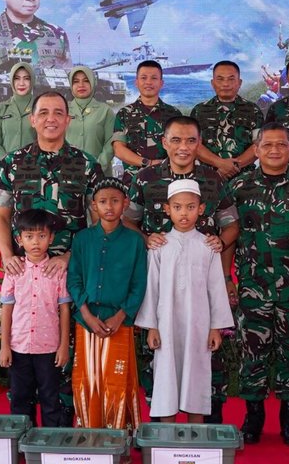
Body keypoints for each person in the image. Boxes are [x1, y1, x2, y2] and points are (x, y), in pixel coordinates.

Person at [0, 90, 102, 420]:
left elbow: (97, 223)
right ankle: (23, 431)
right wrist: (8, 254)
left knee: (63, 361)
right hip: (25, 276)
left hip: (70, 275)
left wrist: (69, 257)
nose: (51, 118)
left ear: (69, 120)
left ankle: (62, 431)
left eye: (58, 113)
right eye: (44, 112)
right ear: (32, 119)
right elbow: (0, 215)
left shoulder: (87, 164)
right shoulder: (12, 163)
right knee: (24, 366)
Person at [124, 115, 238, 416]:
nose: (183, 147)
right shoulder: (146, 179)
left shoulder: (213, 180)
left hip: (202, 273)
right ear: (164, 142)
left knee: (202, 364)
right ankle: (161, 422)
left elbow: (231, 225)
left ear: (199, 144)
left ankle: (206, 425)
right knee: (160, 366)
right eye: (176, 140)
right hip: (160, 280)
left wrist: (219, 242)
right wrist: (146, 238)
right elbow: (128, 222)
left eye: (190, 140)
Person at [229, 123, 289, 445]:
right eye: (267, 145)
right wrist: (228, 279)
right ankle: (253, 416)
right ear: (256, 149)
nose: (275, 150)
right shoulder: (239, 187)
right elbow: (229, 239)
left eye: (281, 144)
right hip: (253, 286)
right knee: (252, 352)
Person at [135, 180, 235, 421]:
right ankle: (167, 438)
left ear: (201, 209)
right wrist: (152, 327)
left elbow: (216, 289)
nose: (184, 213)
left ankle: (196, 439)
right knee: (166, 378)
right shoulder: (159, 246)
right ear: (167, 209)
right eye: (178, 207)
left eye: (190, 207)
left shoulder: (208, 246)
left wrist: (215, 328)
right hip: (166, 324)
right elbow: (152, 289)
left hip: (198, 326)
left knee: (196, 378)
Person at [67, 176, 148, 430]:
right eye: (103, 201)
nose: (109, 206)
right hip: (87, 319)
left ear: (125, 204)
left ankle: (119, 437)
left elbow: (139, 283)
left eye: (115, 201)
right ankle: (89, 434)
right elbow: (74, 279)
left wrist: (121, 315)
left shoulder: (135, 241)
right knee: (87, 378)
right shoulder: (82, 239)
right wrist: (86, 314)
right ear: (94, 206)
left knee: (117, 379)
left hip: (118, 322)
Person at [0, 209, 73, 427]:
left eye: (42, 236)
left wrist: (63, 347)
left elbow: (65, 310)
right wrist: (5, 346)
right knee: (20, 398)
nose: (35, 242)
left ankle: (48, 444)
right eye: (29, 236)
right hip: (19, 347)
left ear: (51, 238)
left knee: (51, 398)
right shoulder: (14, 270)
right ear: (19, 239)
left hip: (49, 348)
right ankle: (22, 444)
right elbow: (6, 309)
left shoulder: (58, 271)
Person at [193, 60, 263, 179]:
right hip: (208, 178)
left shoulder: (253, 110)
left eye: (231, 79)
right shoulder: (199, 111)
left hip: (246, 179)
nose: (225, 84)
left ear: (239, 82)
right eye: (220, 79)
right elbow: (194, 145)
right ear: (212, 83)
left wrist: (233, 166)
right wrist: (220, 164)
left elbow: (259, 144)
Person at [113, 60, 182, 170]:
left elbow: (181, 148)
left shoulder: (174, 114)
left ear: (161, 83)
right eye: (143, 78)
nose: (148, 82)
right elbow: (118, 149)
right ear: (136, 82)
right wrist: (147, 163)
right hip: (133, 179)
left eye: (154, 78)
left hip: (166, 178)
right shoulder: (124, 114)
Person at [65, 64, 116, 170]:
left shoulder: (105, 111)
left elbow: (110, 144)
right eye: (76, 81)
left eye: (86, 80)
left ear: (93, 83)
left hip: (99, 175)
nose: (81, 85)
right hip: (68, 173)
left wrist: (96, 167)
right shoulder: (63, 110)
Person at [0, 62, 37, 158]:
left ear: (32, 80)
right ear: (11, 81)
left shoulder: (41, 108)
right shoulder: (1, 109)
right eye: (17, 78)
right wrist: (7, 163)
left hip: (36, 168)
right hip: (6, 168)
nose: (21, 83)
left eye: (26, 78)